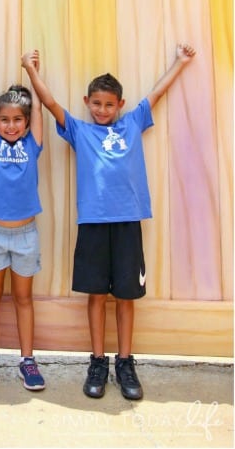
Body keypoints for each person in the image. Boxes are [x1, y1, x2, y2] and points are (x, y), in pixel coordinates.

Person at [22, 44, 196, 400]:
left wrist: (179, 63)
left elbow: (157, 91)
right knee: (98, 295)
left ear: (121, 104)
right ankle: (98, 361)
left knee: (126, 295)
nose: (103, 110)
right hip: (94, 223)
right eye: (97, 103)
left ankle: (125, 362)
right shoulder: (79, 131)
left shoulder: (133, 121)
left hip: (128, 222)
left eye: (110, 104)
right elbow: (52, 103)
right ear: (87, 101)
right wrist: (30, 70)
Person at [0, 52, 45, 392]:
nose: (11, 125)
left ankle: (27, 360)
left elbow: (41, 105)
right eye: (5, 120)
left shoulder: (33, 143)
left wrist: (32, 71)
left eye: (18, 119)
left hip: (26, 236)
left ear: (28, 123)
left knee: (23, 299)